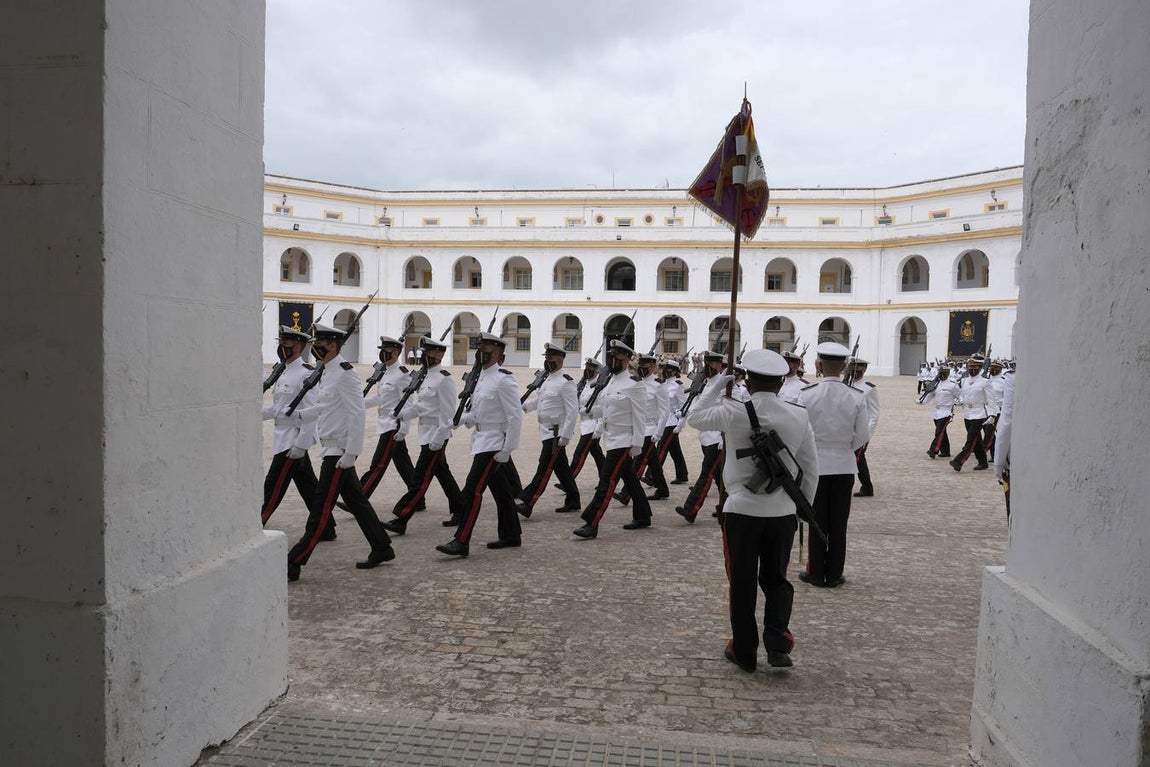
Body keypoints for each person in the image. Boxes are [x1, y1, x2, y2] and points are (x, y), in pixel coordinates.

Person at [688, 349, 818, 670]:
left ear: (748, 380)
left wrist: (719, 384)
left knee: (742, 583)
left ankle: (744, 650)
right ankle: (777, 645)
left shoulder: (734, 411)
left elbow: (694, 416)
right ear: (780, 382)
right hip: (782, 512)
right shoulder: (798, 413)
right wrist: (803, 507)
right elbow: (810, 467)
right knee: (777, 580)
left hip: (741, 511)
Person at [285, 324, 395, 582]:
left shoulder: (346, 373)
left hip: (339, 452)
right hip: (330, 447)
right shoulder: (328, 371)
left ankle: (295, 560)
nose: (316, 348)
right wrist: (303, 414)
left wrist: (351, 452)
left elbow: (357, 413)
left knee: (321, 508)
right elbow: (327, 404)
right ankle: (382, 547)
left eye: (320, 343)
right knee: (358, 502)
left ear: (333, 345)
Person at [436, 333, 523, 556]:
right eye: (480, 347)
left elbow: (515, 417)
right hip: (482, 439)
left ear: (497, 353)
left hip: (494, 444)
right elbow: (477, 411)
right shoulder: (481, 377)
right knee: (502, 492)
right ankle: (511, 534)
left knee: (472, 490)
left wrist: (507, 449)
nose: (480, 351)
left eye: (485, 348)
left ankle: (461, 541)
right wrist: (460, 420)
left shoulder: (504, 379)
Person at [797, 342, 870, 588]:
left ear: (818, 365)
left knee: (817, 519)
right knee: (839, 523)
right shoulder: (856, 396)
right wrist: (844, 449)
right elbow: (862, 435)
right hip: (844, 465)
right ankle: (834, 573)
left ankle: (816, 572)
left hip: (816, 464)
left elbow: (800, 431)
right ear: (844, 367)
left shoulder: (807, 394)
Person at [260, 325, 335, 540]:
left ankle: (257, 523)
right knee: (309, 487)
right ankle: (327, 527)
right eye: (281, 344)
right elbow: (280, 407)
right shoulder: (283, 371)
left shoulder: (306, 375)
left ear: (299, 346)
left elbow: (310, 414)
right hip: (282, 436)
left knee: (272, 486)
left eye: (287, 344)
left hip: (291, 441)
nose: (282, 348)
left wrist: (300, 445)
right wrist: (257, 414)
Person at [572, 341, 652, 539]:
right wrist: (590, 412)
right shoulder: (611, 382)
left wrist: (637, 443)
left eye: (617, 358)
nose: (613, 361)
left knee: (606, 481)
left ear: (626, 361)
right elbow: (608, 409)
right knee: (630, 480)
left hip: (624, 441)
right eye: (611, 357)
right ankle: (643, 516)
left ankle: (592, 522)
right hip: (611, 437)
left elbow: (640, 416)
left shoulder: (634, 384)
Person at [385, 336, 465, 534]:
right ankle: (461, 510)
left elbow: (448, 414)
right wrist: (405, 413)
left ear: (439, 355)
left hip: (436, 436)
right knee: (442, 473)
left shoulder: (444, 379)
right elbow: (423, 406)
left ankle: (401, 517)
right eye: (424, 351)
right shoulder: (425, 376)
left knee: (420, 479)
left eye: (428, 352)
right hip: (426, 432)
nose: (424, 355)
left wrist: (440, 438)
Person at [516, 342, 580, 515]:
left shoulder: (566, 383)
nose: (548, 361)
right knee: (562, 468)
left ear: (560, 359)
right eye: (547, 358)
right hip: (545, 430)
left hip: (556, 432)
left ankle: (528, 501)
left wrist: (566, 435)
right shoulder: (548, 379)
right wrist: (524, 407)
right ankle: (573, 499)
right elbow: (542, 401)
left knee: (544, 467)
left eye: (551, 358)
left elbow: (572, 411)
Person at [359, 335, 419, 502]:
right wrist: (360, 404)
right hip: (384, 422)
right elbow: (380, 398)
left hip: (393, 425)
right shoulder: (385, 372)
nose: (383, 353)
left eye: (387, 350)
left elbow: (407, 402)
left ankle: (360, 497)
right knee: (403, 464)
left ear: (396, 352)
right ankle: (417, 497)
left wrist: (404, 429)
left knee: (378, 464)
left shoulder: (402, 374)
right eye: (382, 350)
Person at [675, 350, 727, 523]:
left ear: (720, 365)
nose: (709, 367)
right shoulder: (704, 383)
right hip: (705, 436)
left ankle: (691, 509)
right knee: (719, 476)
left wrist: (723, 437)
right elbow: (697, 405)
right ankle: (727, 508)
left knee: (706, 474)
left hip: (717, 437)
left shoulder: (725, 384)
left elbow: (728, 411)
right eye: (707, 363)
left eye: (712, 364)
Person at [613, 353, 670, 504]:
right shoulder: (635, 383)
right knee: (652, 461)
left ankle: (626, 494)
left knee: (638, 462)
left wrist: (658, 433)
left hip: (650, 429)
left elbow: (665, 411)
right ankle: (662, 488)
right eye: (641, 365)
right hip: (637, 428)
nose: (642, 368)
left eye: (645, 366)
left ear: (653, 366)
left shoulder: (659, 385)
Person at [647, 359, 689, 486]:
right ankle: (682, 474)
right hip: (663, 421)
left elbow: (684, 406)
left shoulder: (678, 385)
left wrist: (680, 424)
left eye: (667, 369)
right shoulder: (662, 384)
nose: (664, 371)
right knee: (674, 449)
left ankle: (652, 475)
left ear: (675, 371)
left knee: (661, 449)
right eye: (663, 369)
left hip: (672, 422)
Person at [950, 353, 990, 472]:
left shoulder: (985, 382)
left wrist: (992, 415)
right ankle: (983, 462)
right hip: (967, 413)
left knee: (971, 439)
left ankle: (958, 461)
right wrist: (960, 401)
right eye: (971, 367)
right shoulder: (965, 380)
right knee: (976, 440)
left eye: (975, 367)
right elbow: (962, 394)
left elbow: (991, 400)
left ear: (980, 368)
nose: (972, 369)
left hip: (979, 414)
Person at [846, 357, 880, 498]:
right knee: (852, 459)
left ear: (864, 370)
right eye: (852, 369)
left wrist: (867, 434)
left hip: (861, 431)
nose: (855, 373)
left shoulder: (869, 388)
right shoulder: (846, 385)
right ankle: (865, 486)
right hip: (847, 429)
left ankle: (867, 487)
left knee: (857, 459)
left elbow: (874, 414)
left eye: (858, 370)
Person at [568, 357, 606, 481]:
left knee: (580, 453)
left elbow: (603, 409)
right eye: (587, 367)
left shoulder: (600, 386)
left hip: (593, 425)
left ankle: (568, 480)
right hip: (584, 424)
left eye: (591, 368)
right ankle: (606, 478)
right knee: (597, 455)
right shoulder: (584, 385)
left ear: (597, 370)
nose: (588, 370)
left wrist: (599, 429)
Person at [921, 366, 959, 458]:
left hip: (946, 411)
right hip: (936, 411)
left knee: (939, 432)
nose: (942, 375)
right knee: (942, 432)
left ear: (948, 374)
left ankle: (933, 450)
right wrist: (922, 401)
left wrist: (960, 402)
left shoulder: (952, 384)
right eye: (940, 373)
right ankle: (946, 451)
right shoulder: (936, 384)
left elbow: (959, 395)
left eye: (944, 373)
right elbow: (931, 394)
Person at [982, 360, 1005, 461]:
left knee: (989, 433)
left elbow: (1007, 397)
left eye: (996, 368)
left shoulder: (1004, 381)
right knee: (990, 434)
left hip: (997, 410)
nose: (993, 369)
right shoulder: (986, 380)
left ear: (1000, 369)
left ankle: (982, 453)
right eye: (992, 367)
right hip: (986, 409)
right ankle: (994, 455)